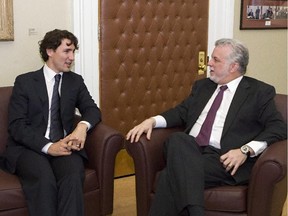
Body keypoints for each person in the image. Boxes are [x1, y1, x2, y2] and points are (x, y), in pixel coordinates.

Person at [126, 38, 287, 216]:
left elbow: (279, 127)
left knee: (168, 176)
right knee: (178, 139)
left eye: (216, 60)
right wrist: (152, 121)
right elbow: (181, 112)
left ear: (233, 66)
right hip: (189, 149)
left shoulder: (258, 92)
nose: (209, 63)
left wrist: (245, 150)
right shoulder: (203, 86)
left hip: (223, 158)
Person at [2, 29, 101, 216]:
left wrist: (81, 127)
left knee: (73, 175)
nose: (71, 57)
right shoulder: (25, 82)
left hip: (65, 146)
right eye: (67, 51)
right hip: (30, 148)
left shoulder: (75, 81)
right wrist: (48, 147)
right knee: (44, 179)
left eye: (73, 52)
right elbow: (17, 126)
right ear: (50, 51)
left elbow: (92, 110)